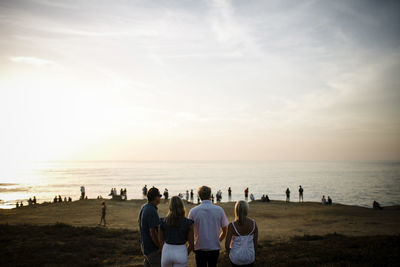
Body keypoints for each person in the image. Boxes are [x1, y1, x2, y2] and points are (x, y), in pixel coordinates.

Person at [188, 186, 229, 267]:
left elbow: (189, 231)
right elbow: (225, 230)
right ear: (210, 195)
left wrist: (192, 245)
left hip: (200, 247)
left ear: (199, 196)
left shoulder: (193, 211)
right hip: (214, 247)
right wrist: (218, 240)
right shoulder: (219, 210)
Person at [159, 196, 194, 267]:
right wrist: (185, 254)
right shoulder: (188, 223)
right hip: (181, 251)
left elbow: (160, 241)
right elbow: (191, 244)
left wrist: (164, 250)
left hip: (167, 251)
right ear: (181, 206)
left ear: (170, 207)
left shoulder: (162, 221)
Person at [225, 200, 258, 267]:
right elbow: (255, 244)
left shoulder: (232, 225)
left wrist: (231, 253)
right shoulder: (253, 224)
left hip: (236, 257)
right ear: (246, 210)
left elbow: (226, 245)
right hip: (249, 257)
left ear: (236, 210)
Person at [139, 187, 162, 267]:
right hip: (152, 249)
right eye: (159, 195)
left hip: (145, 246)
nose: (160, 198)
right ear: (155, 197)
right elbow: (153, 233)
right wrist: (160, 247)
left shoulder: (144, 207)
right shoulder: (152, 210)